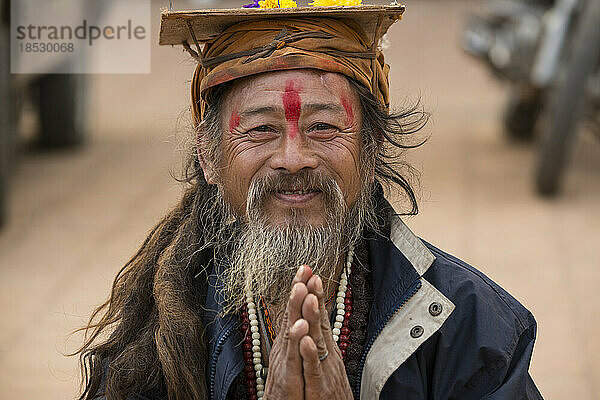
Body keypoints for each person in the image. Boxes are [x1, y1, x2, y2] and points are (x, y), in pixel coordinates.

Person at [75, 3, 543, 400]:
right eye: (261, 129)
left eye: (323, 127)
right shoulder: (155, 334)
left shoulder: (475, 329)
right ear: (209, 157)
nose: (293, 159)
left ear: (371, 150)